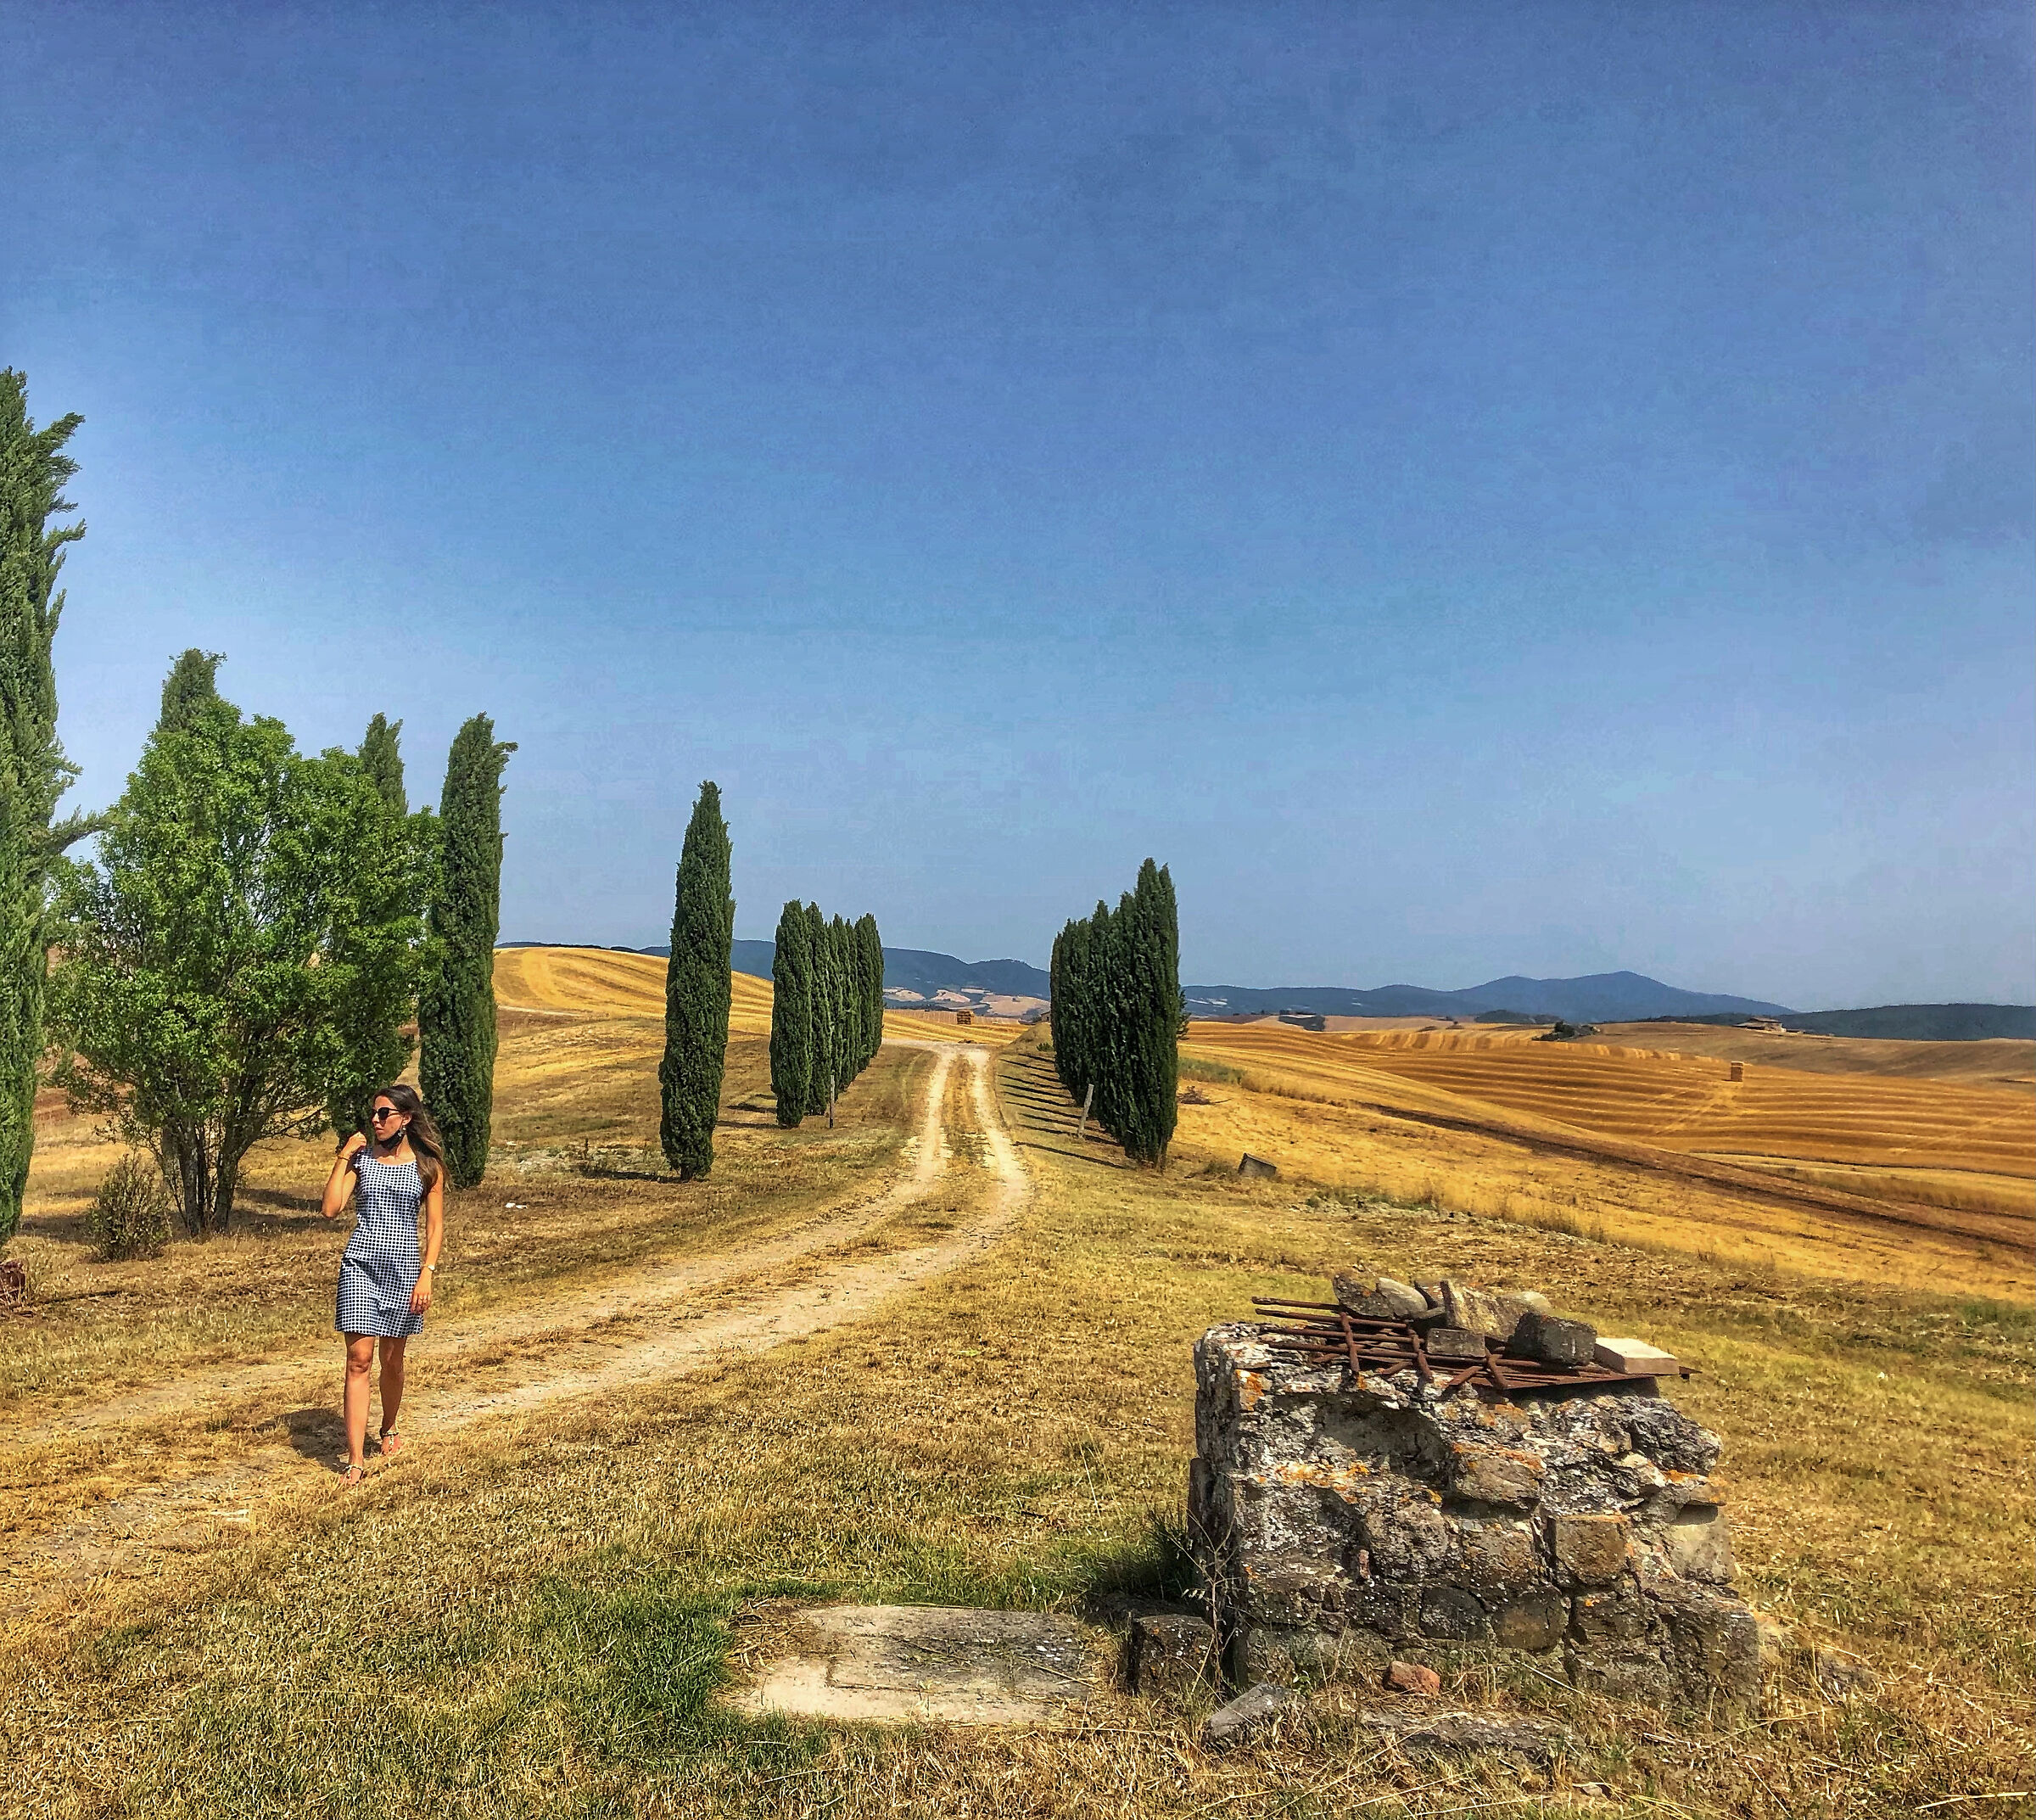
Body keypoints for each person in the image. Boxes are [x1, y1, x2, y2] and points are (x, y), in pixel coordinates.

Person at [321, 1084, 446, 1488]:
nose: (375, 1120)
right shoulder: (361, 1158)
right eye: (373, 1114)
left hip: (406, 1270)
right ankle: (355, 1460)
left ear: (405, 1118)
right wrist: (344, 1154)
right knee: (359, 1359)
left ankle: (388, 1425)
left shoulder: (428, 1166)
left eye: (384, 1113)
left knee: (392, 1360)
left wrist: (427, 1272)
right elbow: (330, 1209)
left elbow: (435, 1225)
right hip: (360, 1267)